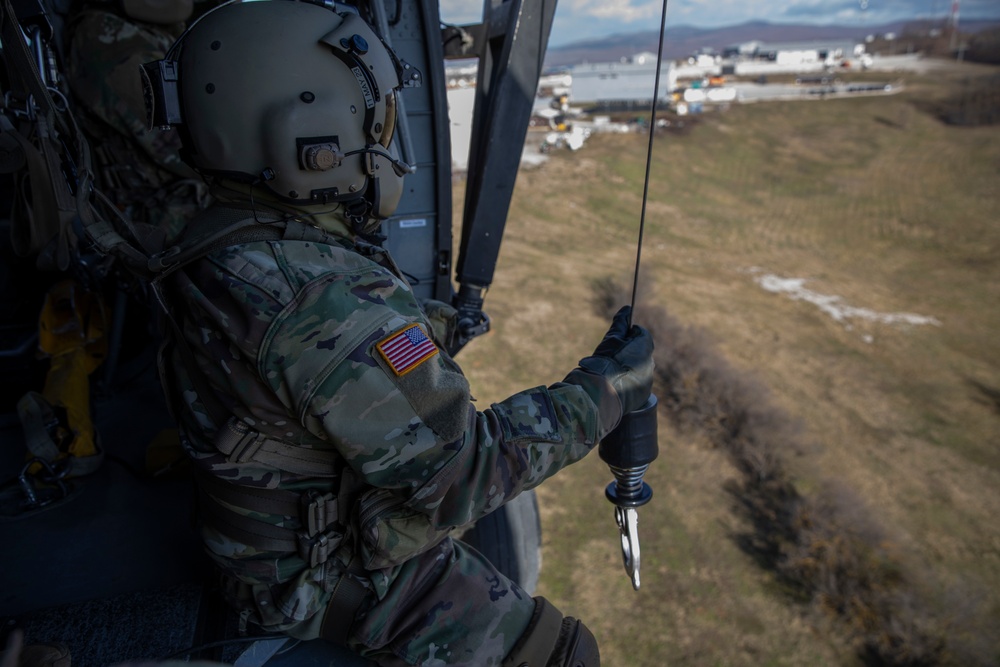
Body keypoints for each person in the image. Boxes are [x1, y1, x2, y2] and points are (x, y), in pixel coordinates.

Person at [146, 2, 654, 665]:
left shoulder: (219, 233)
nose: (381, 137)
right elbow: (462, 477)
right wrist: (607, 392)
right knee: (565, 654)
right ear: (308, 133)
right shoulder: (328, 300)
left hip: (259, 542)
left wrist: (422, 329)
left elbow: (310, 367)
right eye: (367, 116)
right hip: (317, 588)